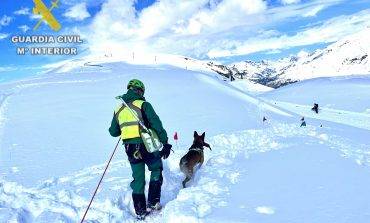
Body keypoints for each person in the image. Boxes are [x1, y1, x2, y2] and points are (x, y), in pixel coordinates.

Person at [109, 79, 172, 220]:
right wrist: (165, 142)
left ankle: (140, 211)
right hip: (146, 144)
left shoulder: (118, 109)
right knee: (156, 168)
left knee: (138, 179)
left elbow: (113, 132)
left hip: (130, 148)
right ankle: (153, 202)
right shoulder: (143, 104)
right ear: (140, 91)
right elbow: (156, 123)